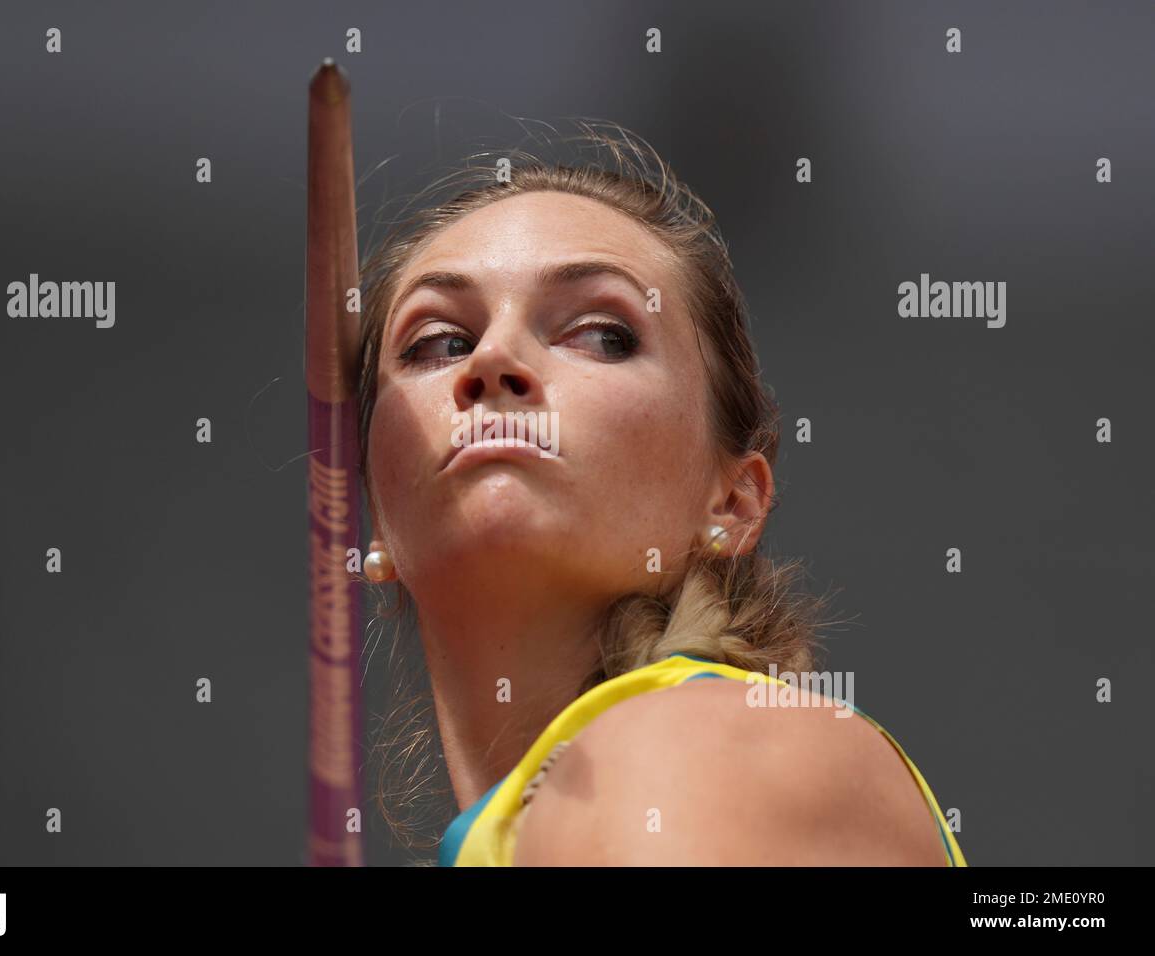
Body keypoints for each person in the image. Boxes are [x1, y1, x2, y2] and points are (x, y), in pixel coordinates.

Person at [352, 121, 967, 867]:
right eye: (439, 342)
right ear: (375, 518)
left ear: (734, 501)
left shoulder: (697, 739)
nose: (492, 360)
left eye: (602, 333)